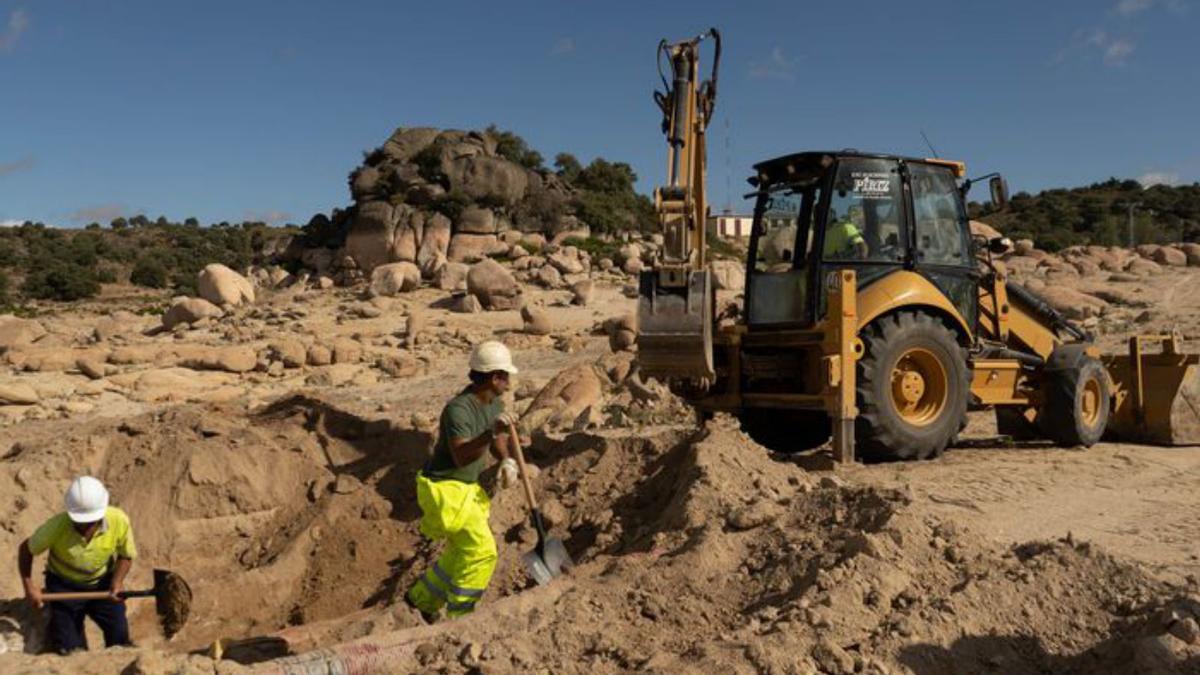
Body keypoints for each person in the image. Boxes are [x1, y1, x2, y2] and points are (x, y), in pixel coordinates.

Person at [405, 341, 521, 621]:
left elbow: (499, 441)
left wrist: (507, 458)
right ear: (494, 377)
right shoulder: (458, 410)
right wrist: (490, 432)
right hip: (445, 490)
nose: (509, 383)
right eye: (506, 376)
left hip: (465, 490)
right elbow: (460, 456)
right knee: (482, 552)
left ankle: (421, 599)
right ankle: (461, 618)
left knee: (461, 551)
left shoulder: (494, 404)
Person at [17, 476, 137, 654]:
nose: (86, 527)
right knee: (70, 649)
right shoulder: (57, 526)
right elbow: (26, 550)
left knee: (119, 637)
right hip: (63, 587)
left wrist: (117, 582)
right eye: (80, 522)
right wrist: (29, 587)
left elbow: (126, 555)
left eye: (91, 522)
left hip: (102, 583)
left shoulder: (118, 520)